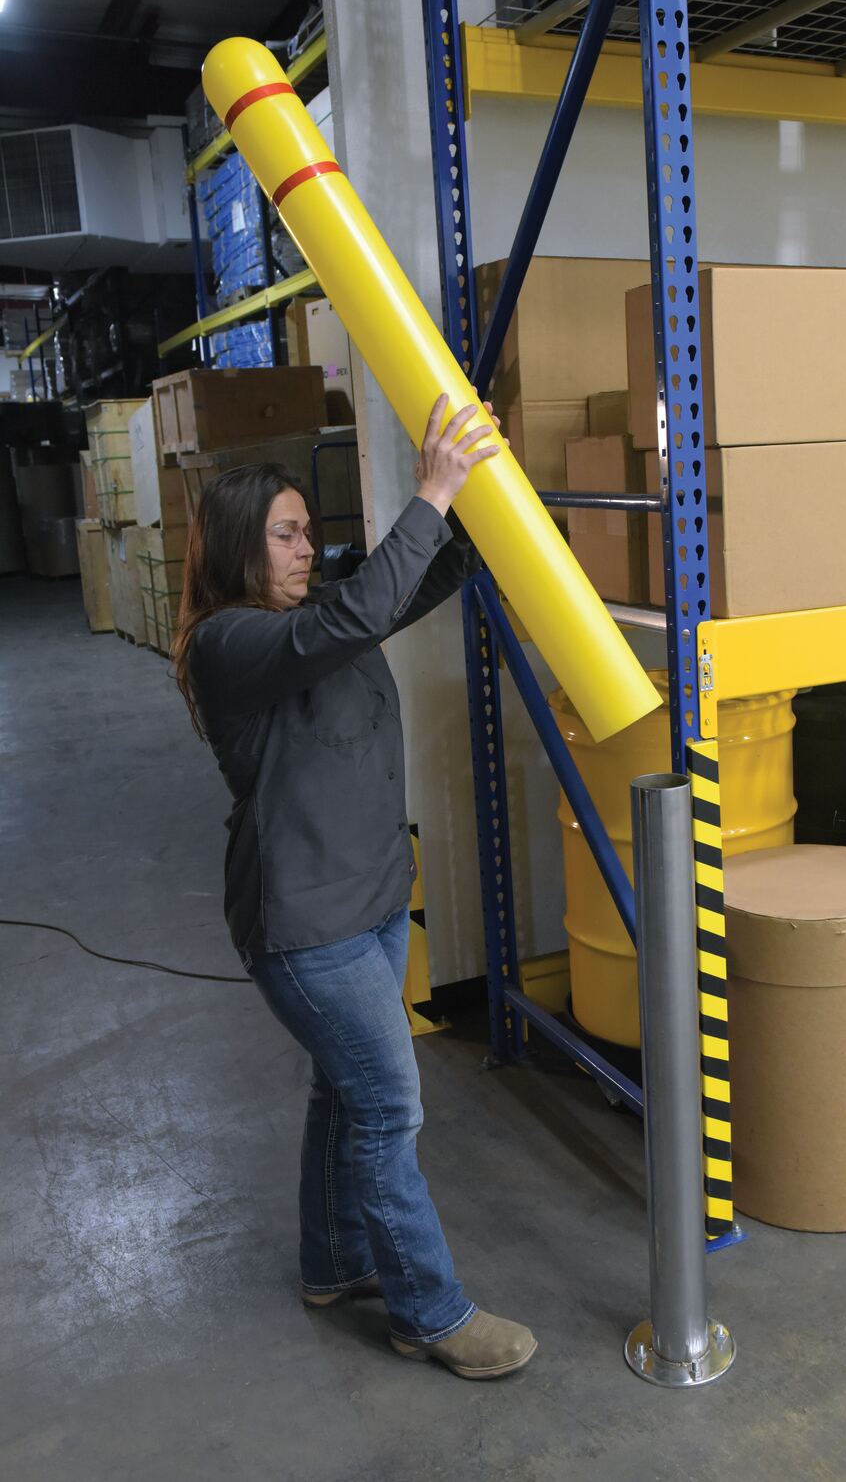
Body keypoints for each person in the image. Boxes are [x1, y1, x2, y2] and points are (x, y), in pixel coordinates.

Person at [171, 395, 537, 1381]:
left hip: (368, 900)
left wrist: (482, 510)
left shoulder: (310, 618)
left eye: (307, 532)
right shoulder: (229, 643)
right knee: (388, 1109)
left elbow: (403, 589)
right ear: (238, 546)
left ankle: (332, 1265)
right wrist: (432, 491)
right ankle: (429, 1313)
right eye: (284, 535)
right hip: (306, 925)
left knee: (346, 1093)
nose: (305, 550)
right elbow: (365, 609)